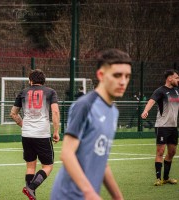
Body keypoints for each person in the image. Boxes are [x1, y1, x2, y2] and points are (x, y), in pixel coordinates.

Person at [51, 48, 132, 200]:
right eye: (117, 75)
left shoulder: (113, 111)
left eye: (127, 76)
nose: (123, 81)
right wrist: (89, 192)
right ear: (101, 75)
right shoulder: (85, 105)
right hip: (68, 195)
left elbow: (102, 160)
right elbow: (67, 154)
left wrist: (118, 197)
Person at [10, 69, 60, 200]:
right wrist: (56, 131)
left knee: (30, 166)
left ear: (30, 80)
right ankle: (31, 188)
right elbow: (55, 112)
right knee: (48, 166)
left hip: (26, 135)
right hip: (42, 134)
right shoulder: (50, 92)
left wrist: (23, 124)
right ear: (43, 81)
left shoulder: (23, 92)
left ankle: (31, 194)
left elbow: (13, 114)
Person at [141, 69, 179, 186]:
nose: (178, 80)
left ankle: (166, 178)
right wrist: (145, 111)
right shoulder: (160, 91)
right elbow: (151, 101)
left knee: (172, 152)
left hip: (173, 127)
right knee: (160, 151)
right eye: (176, 78)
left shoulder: (177, 91)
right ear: (169, 78)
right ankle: (158, 178)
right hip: (162, 126)